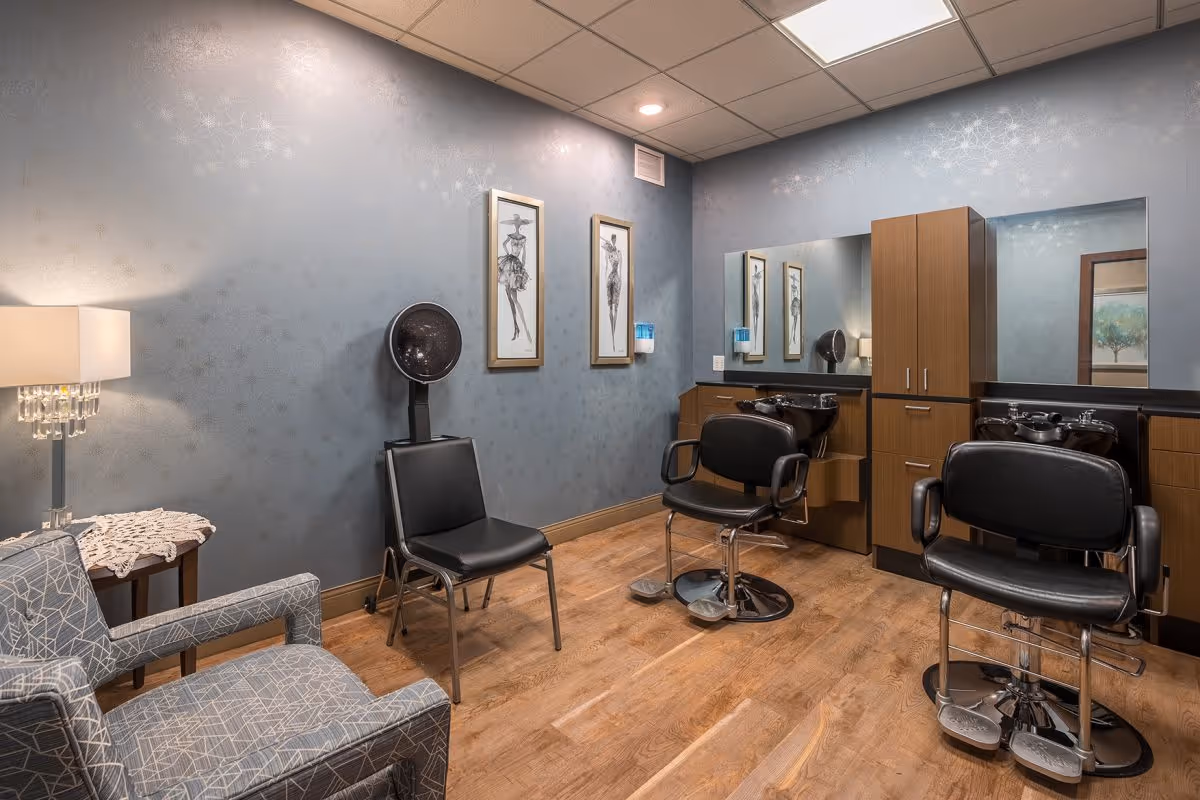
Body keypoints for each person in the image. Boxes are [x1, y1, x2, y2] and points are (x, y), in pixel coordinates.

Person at [497, 213, 533, 343]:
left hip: (516, 265)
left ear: (520, 225)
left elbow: (524, 253)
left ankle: (519, 328)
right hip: (510, 263)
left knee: (514, 299)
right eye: (515, 224)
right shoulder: (511, 236)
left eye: (518, 224)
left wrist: (522, 266)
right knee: (510, 297)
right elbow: (504, 244)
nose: (517, 226)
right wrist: (508, 253)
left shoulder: (523, 238)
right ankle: (516, 327)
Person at [601, 233, 622, 348]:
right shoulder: (608, 251)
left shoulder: (618, 252)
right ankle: (612, 340)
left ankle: (614, 339)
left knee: (616, 308)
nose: (614, 240)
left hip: (616, 279)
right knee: (610, 307)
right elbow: (605, 266)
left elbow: (621, 269)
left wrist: (620, 280)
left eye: (615, 239)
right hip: (610, 278)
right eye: (613, 239)